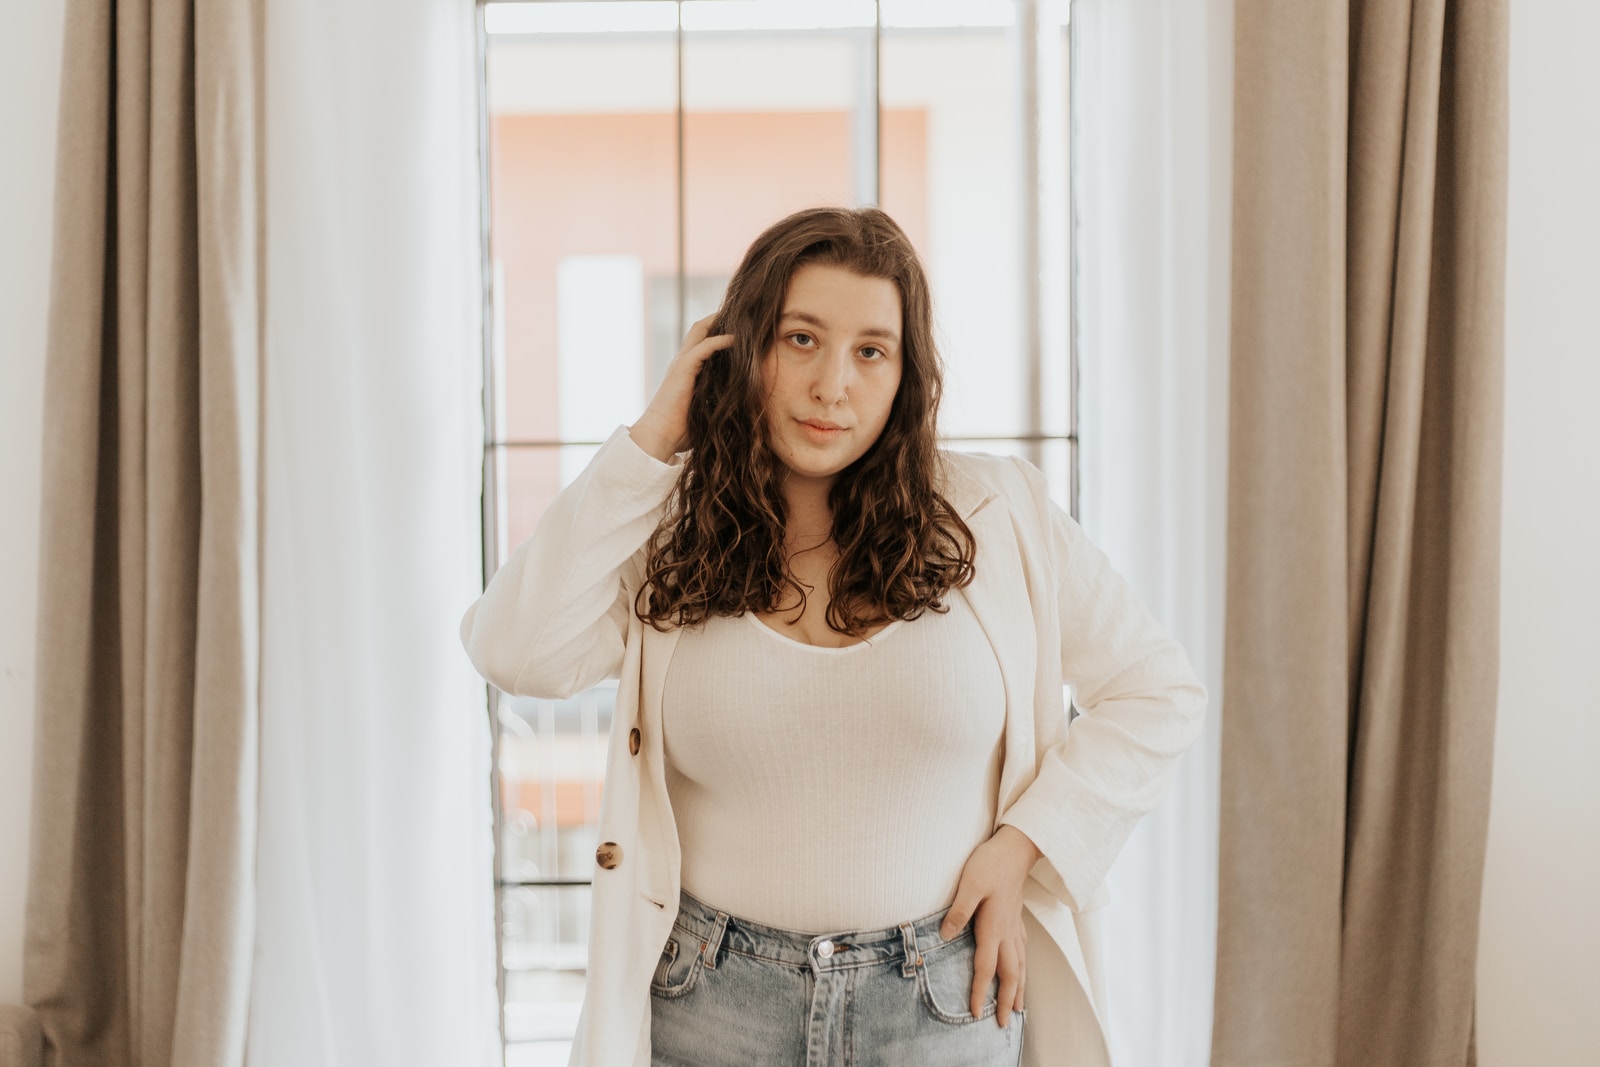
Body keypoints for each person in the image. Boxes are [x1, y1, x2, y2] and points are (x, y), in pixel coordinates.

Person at [461, 207, 1206, 1067]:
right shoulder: (667, 525)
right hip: (709, 1004)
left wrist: (1025, 846)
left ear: (905, 374)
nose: (832, 386)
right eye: (800, 339)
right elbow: (514, 650)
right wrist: (650, 441)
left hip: (942, 1002)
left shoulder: (998, 516)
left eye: (870, 351)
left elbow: (1159, 692)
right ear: (740, 350)